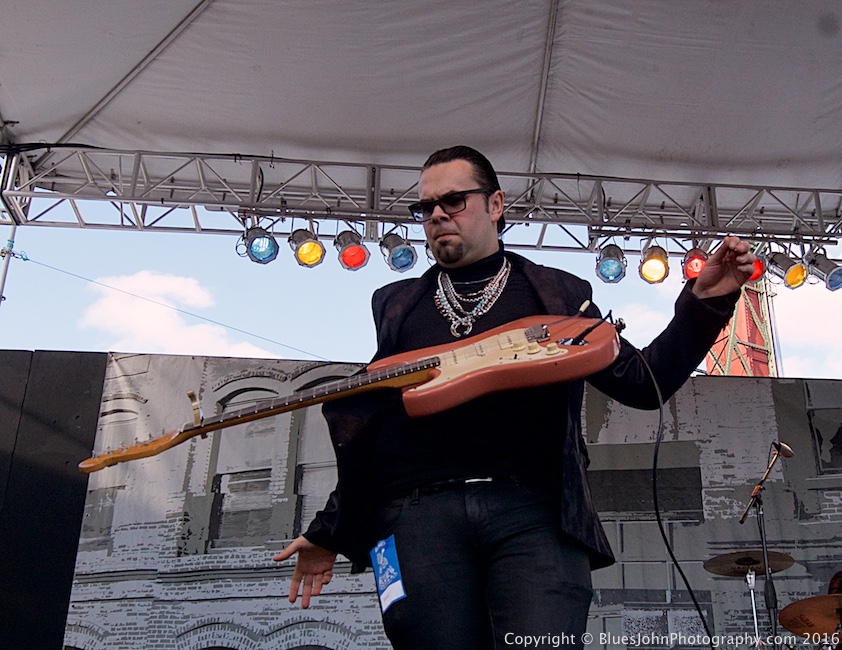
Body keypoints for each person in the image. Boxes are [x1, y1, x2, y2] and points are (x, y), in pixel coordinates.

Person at [274, 145, 756, 649]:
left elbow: (643, 381)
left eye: (454, 200)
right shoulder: (398, 305)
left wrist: (706, 302)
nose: (436, 214)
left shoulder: (555, 294)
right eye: (425, 207)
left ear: (497, 205)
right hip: (419, 521)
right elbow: (376, 430)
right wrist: (331, 529)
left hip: (532, 513)